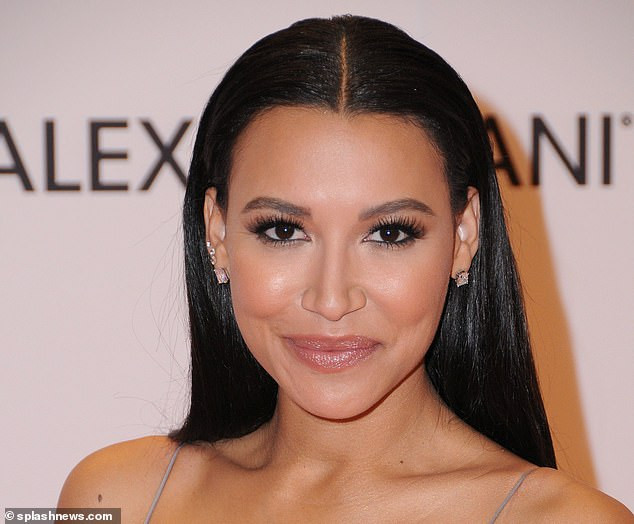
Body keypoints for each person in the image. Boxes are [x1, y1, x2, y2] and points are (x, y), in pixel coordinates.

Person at [58, 15, 632, 522]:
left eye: (389, 233)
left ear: (464, 236)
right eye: (284, 231)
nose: (332, 300)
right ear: (218, 233)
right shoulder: (110, 500)